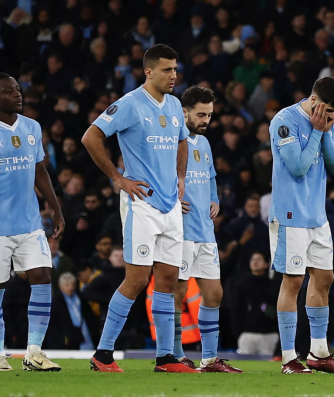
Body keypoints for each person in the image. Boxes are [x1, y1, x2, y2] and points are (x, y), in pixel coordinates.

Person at [82, 44, 195, 373]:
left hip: (170, 202)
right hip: (141, 203)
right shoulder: (130, 103)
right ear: (148, 72)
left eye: (175, 69)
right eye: (166, 70)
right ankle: (103, 355)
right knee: (136, 278)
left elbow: (182, 139)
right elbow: (91, 137)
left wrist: (181, 176)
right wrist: (118, 178)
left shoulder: (174, 105)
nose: (173, 75)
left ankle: (165, 358)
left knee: (169, 279)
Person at [0, 73, 65, 372]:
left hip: (30, 224)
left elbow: (40, 170)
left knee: (42, 276)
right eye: (8, 91)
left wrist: (55, 208)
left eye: (18, 89)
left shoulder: (32, 126)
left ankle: (34, 352)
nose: (17, 94)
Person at [268, 77, 334, 374]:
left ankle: (318, 352)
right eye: (327, 111)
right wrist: (318, 132)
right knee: (293, 282)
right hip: (291, 215)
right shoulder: (285, 120)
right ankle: (289, 356)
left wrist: (327, 131)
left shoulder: (329, 122)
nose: (330, 117)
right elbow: (299, 167)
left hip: (317, 215)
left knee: (326, 278)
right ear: (314, 101)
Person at [173, 86, 242, 373]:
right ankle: (174, 356)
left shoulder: (203, 143)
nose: (206, 120)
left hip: (205, 232)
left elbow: (211, 177)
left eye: (210, 115)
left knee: (214, 294)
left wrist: (213, 198)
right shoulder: (171, 142)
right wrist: (170, 202)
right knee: (176, 295)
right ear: (184, 111)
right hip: (179, 232)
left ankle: (209, 359)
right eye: (201, 114)